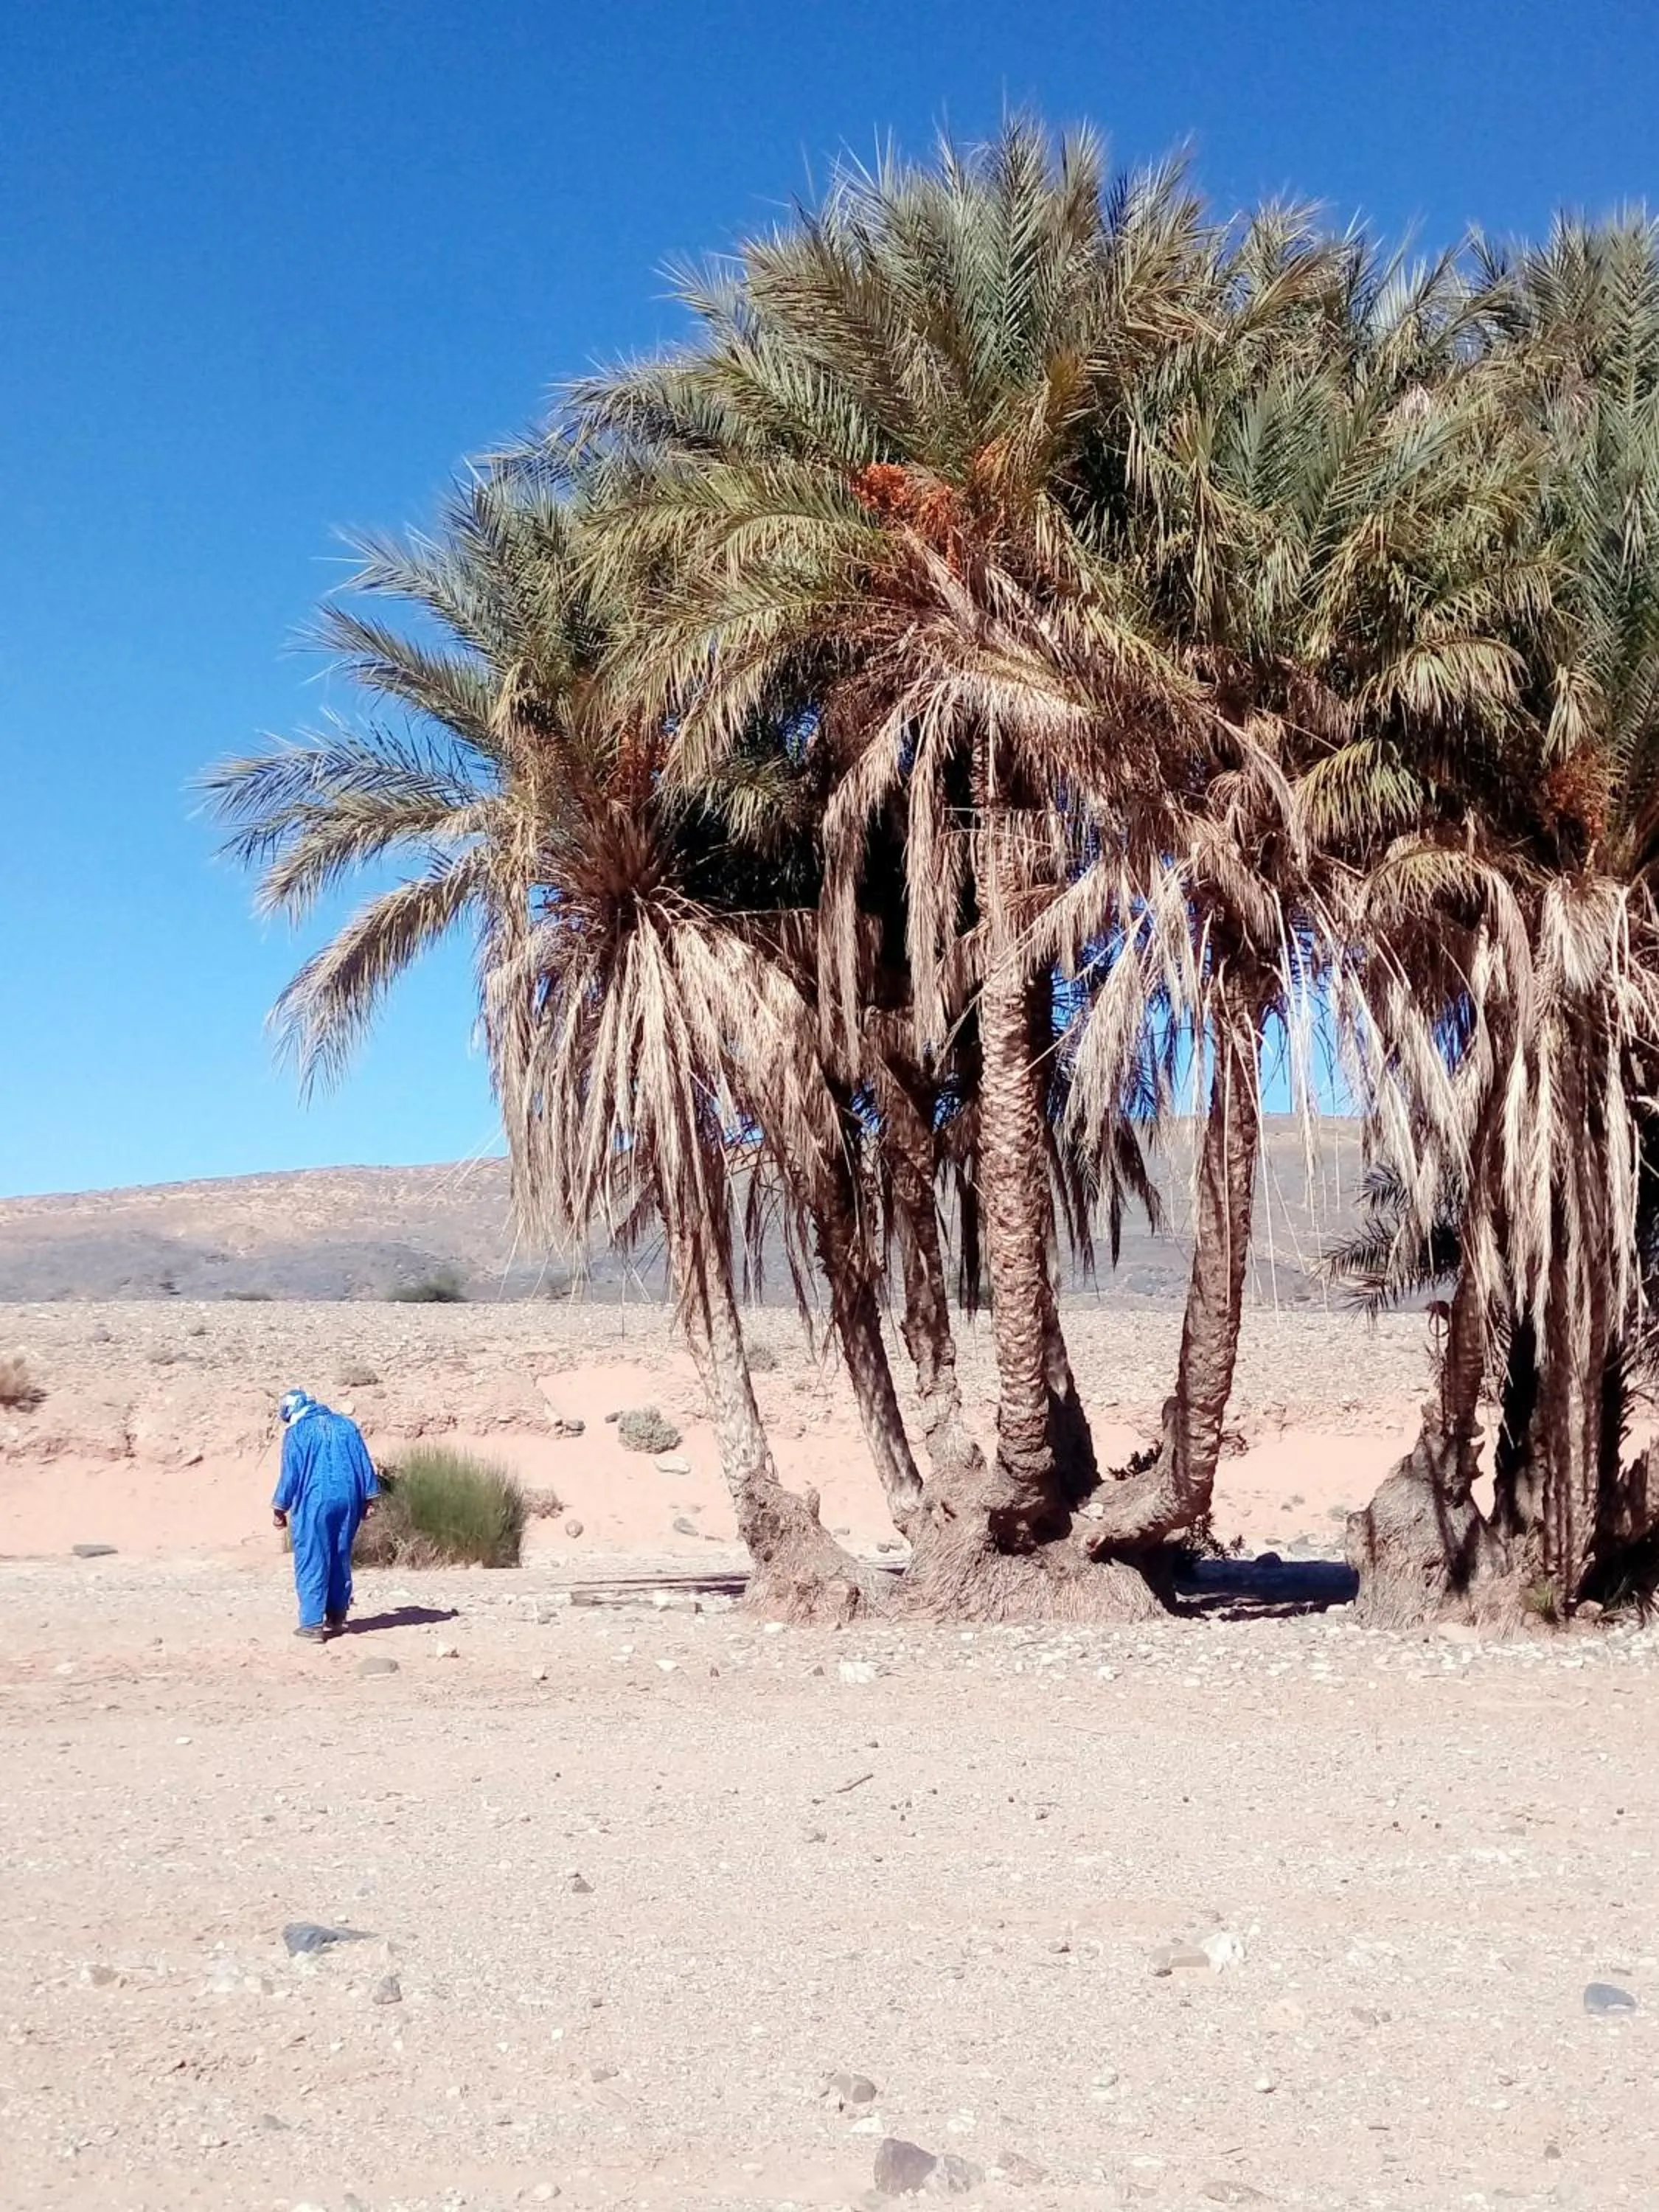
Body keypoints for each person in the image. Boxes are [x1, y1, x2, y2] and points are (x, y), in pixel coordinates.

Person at [272, 1388, 380, 1642]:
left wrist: (280, 1507)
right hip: (349, 1499)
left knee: (312, 1557)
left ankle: (311, 1624)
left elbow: (291, 1475)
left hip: (315, 1500)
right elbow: (363, 1462)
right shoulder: (346, 1425)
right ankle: (337, 1616)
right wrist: (370, 1497)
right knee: (340, 1554)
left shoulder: (297, 1434)